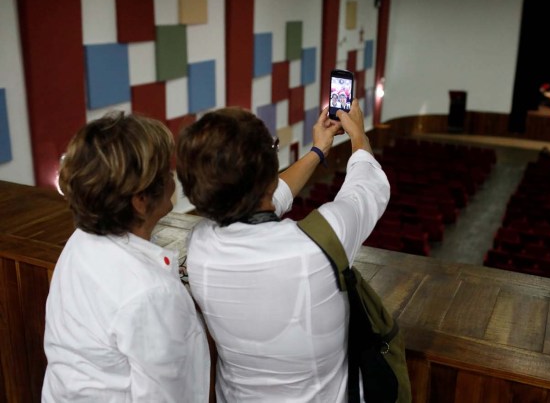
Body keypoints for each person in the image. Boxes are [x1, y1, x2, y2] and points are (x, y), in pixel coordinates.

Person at [176, 99, 390, 402]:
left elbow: (262, 199)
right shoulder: (317, 245)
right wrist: (359, 136)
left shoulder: (199, 245)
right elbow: (367, 188)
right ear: (268, 169)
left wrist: (319, 150)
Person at [42, 112, 210, 401]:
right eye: (166, 173)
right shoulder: (150, 293)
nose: (174, 178)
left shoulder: (81, 238)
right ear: (140, 201)